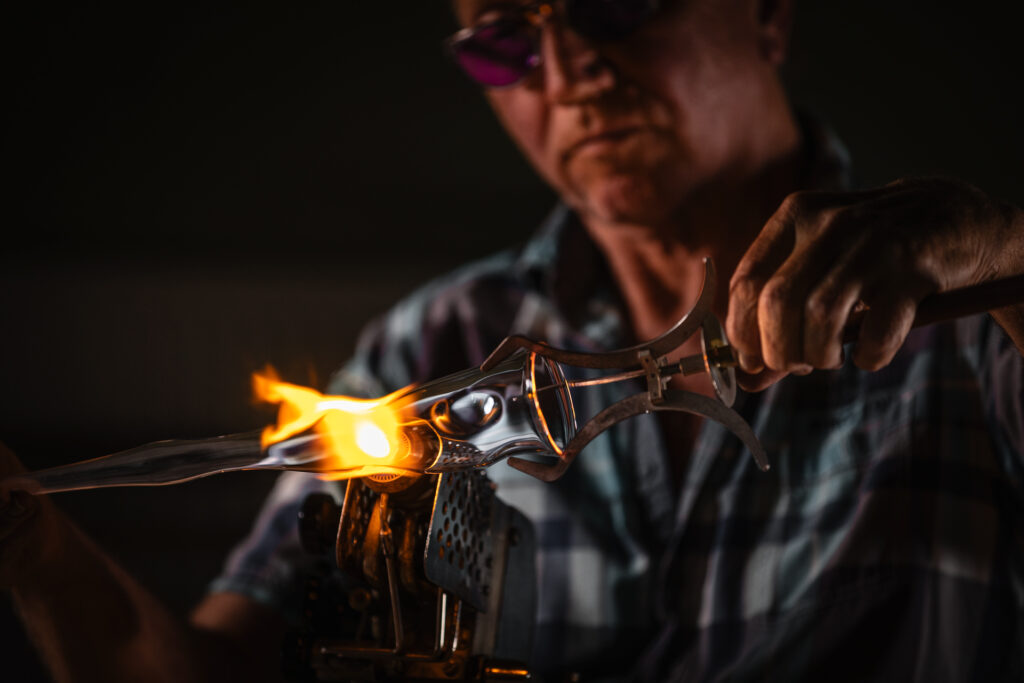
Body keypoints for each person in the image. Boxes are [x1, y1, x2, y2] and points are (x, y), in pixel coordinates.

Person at [2, 0, 1023, 680]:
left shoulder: (970, 315)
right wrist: (38, 552)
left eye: (612, 2)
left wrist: (997, 246)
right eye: (504, 40)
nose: (568, 65)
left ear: (764, 14)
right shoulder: (432, 343)